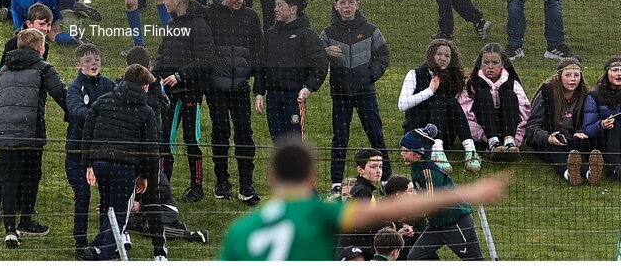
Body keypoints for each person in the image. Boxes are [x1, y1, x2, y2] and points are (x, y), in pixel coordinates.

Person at [217, 136, 507, 260]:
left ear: (272, 179)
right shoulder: (318, 214)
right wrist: (471, 191)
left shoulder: (240, 231)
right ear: (311, 178)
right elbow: (387, 209)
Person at [0, 27, 68, 248]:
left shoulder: (4, 69)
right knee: (32, 174)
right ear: (40, 47)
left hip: (5, 131)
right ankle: (25, 220)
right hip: (31, 130)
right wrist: (74, 116)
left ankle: (9, 229)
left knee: (9, 178)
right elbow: (60, 93)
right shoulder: (43, 68)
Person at [80, 63, 165, 261]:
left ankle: (95, 248)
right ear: (144, 86)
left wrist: (89, 164)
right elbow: (151, 149)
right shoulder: (146, 112)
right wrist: (145, 176)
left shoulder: (102, 101)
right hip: (124, 167)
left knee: (108, 208)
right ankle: (106, 256)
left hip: (100, 164)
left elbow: (87, 134)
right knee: (119, 215)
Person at [320, 0, 391, 188]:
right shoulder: (327, 33)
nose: (347, 6)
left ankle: (385, 178)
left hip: (366, 92)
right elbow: (314, 55)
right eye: (342, 2)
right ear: (336, 6)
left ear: (358, 5)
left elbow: (383, 56)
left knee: (376, 135)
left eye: (351, 2)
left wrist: (371, 75)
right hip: (340, 93)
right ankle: (336, 182)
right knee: (340, 138)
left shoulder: (371, 30)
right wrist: (325, 51)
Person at [204, 0, 262, 204]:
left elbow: (258, 51)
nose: (239, 0)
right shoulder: (209, 14)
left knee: (244, 133)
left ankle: (246, 185)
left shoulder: (251, 17)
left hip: (240, 86)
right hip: (215, 87)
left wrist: (258, 85)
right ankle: (221, 182)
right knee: (220, 133)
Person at [152, 0, 212, 203]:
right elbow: (163, 55)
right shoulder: (171, 25)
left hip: (190, 92)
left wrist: (179, 76)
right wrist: (153, 74)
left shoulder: (199, 25)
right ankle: (162, 184)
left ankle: (197, 187)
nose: (164, 1)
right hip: (168, 94)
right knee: (165, 138)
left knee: (191, 139)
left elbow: (205, 60)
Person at [398, 123, 485, 259]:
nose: (401, 153)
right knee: (414, 258)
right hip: (436, 224)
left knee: (474, 260)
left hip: (455, 223)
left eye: (405, 150)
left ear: (419, 153)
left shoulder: (428, 171)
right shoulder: (417, 167)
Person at [397, 39, 480, 174]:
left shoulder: (453, 77)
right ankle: (436, 153)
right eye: (439, 54)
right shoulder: (414, 74)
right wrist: (429, 91)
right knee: (438, 102)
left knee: (451, 102)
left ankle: (471, 152)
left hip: (446, 134)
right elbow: (402, 105)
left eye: (447, 56)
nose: (443, 58)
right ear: (431, 55)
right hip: (419, 132)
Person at [255, 0, 328, 141]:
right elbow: (261, 65)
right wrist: (259, 92)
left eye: (280, 5)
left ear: (293, 9)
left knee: (294, 143)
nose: (275, 9)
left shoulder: (306, 35)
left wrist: (308, 88)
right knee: (278, 142)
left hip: (294, 98)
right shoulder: (270, 34)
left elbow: (320, 64)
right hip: (273, 97)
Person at [64, 42, 115, 257]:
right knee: (83, 197)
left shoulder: (109, 85)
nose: (93, 63)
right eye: (88, 60)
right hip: (77, 154)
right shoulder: (74, 88)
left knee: (107, 198)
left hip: (103, 153)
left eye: (96, 59)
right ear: (78, 65)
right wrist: (103, 117)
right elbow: (77, 111)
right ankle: (80, 242)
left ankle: (104, 243)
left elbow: (120, 105)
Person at [526, 58, 595, 184]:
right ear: (559, 76)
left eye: (576, 75)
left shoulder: (584, 95)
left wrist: (580, 131)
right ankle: (568, 174)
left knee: (576, 151)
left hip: (572, 139)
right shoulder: (546, 93)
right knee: (557, 152)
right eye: (568, 75)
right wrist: (547, 138)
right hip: (548, 140)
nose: (573, 79)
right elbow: (532, 127)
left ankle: (589, 173)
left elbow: (586, 121)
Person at [459, 43, 530, 162]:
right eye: (486, 62)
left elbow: (524, 114)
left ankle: (509, 143)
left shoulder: (513, 83)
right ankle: (493, 144)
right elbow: (464, 115)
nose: (490, 67)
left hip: (509, 130)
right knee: (483, 95)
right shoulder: (472, 84)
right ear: (480, 64)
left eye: (495, 63)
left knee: (509, 95)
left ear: (502, 64)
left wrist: (517, 139)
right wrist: (483, 136)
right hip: (483, 134)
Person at [581, 57, 621, 182]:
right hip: (603, 140)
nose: (619, 74)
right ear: (606, 73)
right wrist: (602, 124)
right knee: (616, 125)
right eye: (615, 70)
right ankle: (614, 168)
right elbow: (587, 129)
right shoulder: (594, 96)